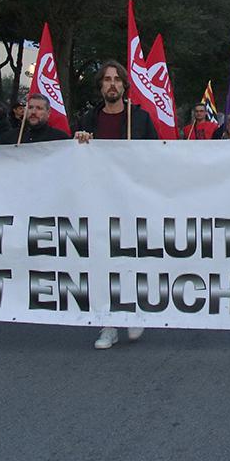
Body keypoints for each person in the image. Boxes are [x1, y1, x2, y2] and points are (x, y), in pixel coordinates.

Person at [74, 59, 157, 349]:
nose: (112, 84)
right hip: (98, 201)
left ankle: (133, 312)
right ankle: (108, 324)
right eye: (107, 80)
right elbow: (74, 159)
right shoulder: (88, 120)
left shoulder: (141, 119)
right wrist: (80, 142)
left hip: (131, 200)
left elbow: (157, 156)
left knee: (131, 259)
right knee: (102, 262)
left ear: (124, 86)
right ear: (101, 87)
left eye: (117, 80)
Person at [0, 94, 68, 143]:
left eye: (39, 108)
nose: (33, 112)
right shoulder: (8, 138)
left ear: (48, 113)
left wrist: (77, 142)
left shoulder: (60, 139)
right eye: (30, 107)